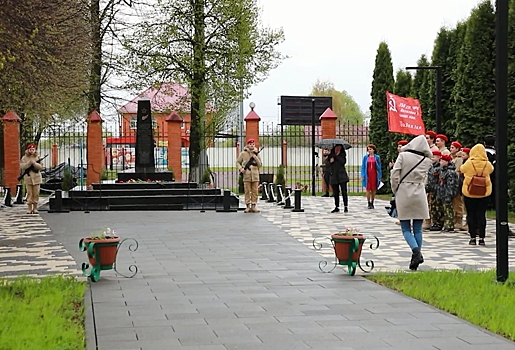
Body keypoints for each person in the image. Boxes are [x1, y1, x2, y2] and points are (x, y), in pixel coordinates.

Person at [390, 135, 432, 271]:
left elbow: (395, 174)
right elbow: (425, 179)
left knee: (406, 228)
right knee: (418, 229)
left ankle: (416, 252)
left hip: (404, 191)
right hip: (419, 192)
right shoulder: (427, 160)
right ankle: (416, 256)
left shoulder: (403, 156)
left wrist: (396, 189)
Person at [460, 143, 494, 245]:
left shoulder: (469, 163)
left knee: (471, 215)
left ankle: (472, 238)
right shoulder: (487, 164)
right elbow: (491, 170)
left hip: (469, 192)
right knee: (481, 215)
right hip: (484, 192)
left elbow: (462, 169)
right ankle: (482, 238)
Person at [434, 154, 460, 232]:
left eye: (442, 161)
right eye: (440, 160)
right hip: (441, 192)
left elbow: (451, 185)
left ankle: (449, 225)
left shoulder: (450, 172)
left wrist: (449, 194)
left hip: (446, 193)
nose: (441, 162)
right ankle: (441, 223)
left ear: (447, 162)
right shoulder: (441, 170)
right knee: (441, 209)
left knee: (448, 210)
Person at [236, 139, 262, 213]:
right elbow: (238, 162)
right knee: (247, 191)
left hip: (255, 175)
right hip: (247, 175)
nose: (252, 145)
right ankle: (247, 206)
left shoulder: (256, 153)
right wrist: (241, 169)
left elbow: (260, 164)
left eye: (253, 144)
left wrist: (255, 158)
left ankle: (253, 206)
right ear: (247, 145)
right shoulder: (243, 153)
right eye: (250, 144)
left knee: (255, 191)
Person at [20, 143, 44, 214]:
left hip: (36, 178)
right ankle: (29, 208)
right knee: (29, 193)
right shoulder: (24, 158)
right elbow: (22, 166)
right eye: (30, 149)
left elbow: (40, 167)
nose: (32, 151)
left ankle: (35, 208)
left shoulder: (37, 157)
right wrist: (29, 163)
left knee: (36, 193)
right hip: (28, 178)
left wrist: (34, 163)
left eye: (33, 149)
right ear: (28, 150)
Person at [327, 144, 349, 213]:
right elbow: (327, 164)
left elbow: (343, 162)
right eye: (336, 147)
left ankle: (345, 206)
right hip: (334, 176)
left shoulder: (342, 155)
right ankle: (337, 206)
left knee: (344, 191)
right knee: (335, 192)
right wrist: (330, 161)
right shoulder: (331, 155)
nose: (337, 149)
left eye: (339, 147)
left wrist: (336, 157)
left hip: (342, 176)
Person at [360, 144, 382, 209]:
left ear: (374, 150)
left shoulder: (377, 157)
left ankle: (372, 201)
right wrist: (362, 175)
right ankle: (368, 202)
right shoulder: (365, 157)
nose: (369, 150)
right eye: (368, 149)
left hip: (374, 174)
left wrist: (380, 175)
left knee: (373, 189)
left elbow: (379, 167)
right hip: (367, 175)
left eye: (370, 149)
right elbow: (363, 166)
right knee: (368, 189)